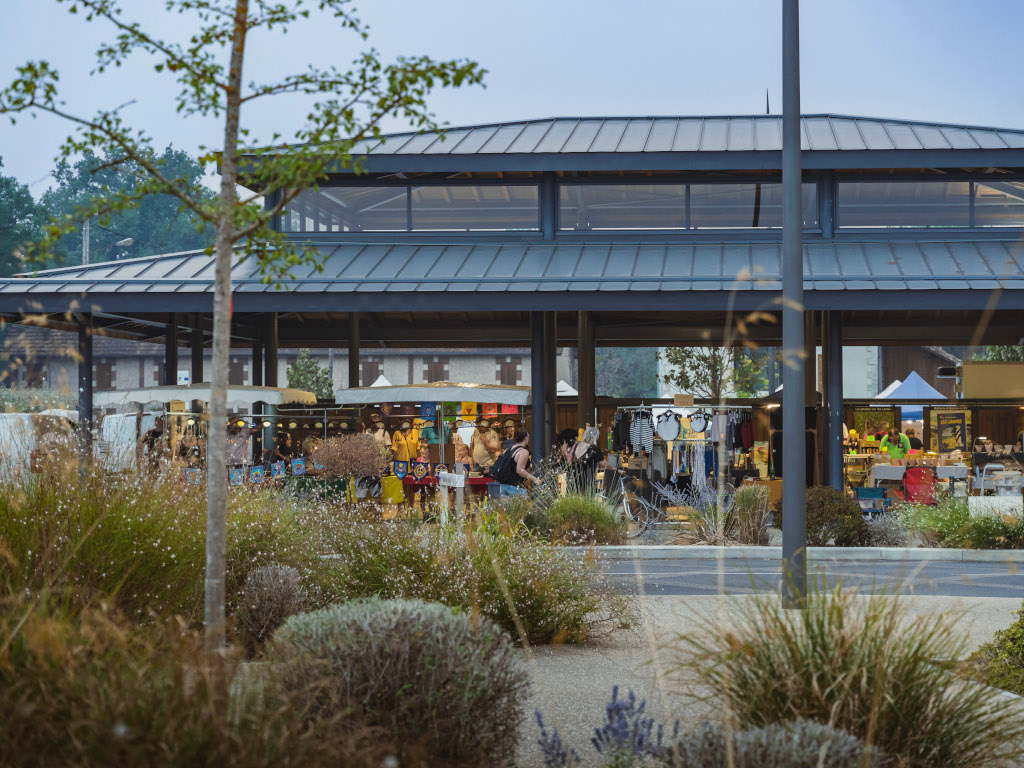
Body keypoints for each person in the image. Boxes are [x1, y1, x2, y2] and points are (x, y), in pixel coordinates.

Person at [567, 426, 619, 492]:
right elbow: (604, 464)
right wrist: (614, 469)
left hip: (572, 480)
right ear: (595, 437)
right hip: (586, 483)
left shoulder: (576, 446)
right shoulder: (593, 448)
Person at [496, 428, 539, 496]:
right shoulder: (524, 452)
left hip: (503, 486)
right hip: (515, 487)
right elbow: (520, 470)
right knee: (521, 507)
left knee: (506, 507)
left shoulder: (509, 448)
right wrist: (534, 479)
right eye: (528, 436)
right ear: (525, 438)